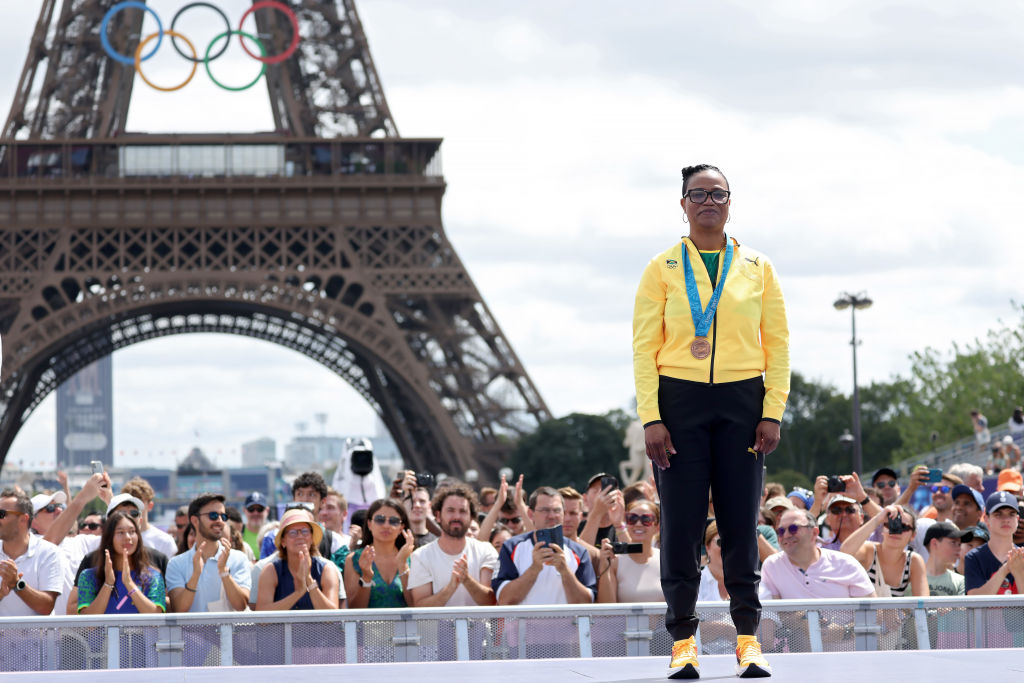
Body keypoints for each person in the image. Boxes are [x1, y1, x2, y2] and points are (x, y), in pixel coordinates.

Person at [633, 164, 789, 679]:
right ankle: (683, 640)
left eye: (717, 193)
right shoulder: (662, 268)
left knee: (741, 523)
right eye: (697, 194)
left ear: (730, 202)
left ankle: (748, 637)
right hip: (679, 401)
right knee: (679, 525)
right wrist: (652, 417)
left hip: (743, 399)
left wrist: (772, 410)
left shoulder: (758, 267)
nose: (707, 201)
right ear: (682, 204)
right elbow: (643, 349)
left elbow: (779, 346)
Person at [492, 486, 596, 605]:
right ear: (531, 514)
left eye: (557, 510)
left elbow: (586, 604)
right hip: (523, 624)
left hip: (565, 624)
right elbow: (505, 600)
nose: (551, 516)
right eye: (545, 510)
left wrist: (565, 571)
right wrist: (534, 569)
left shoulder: (579, 552)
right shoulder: (511, 548)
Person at [408, 483, 498, 607]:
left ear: (471, 517)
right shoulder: (421, 556)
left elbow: (492, 601)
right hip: (438, 627)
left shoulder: (486, 550)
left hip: (480, 626)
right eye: (450, 511)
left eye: (462, 511)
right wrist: (451, 587)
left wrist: (467, 580)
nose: (456, 516)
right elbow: (420, 606)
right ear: (438, 516)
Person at [759, 509, 875, 600]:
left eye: (793, 528)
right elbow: (775, 614)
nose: (786, 535)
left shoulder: (846, 564)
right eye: (781, 531)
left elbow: (874, 612)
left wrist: (844, 629)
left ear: (814, 533)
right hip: (798, 630)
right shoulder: (772, 565)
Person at [165, 493, 252, 612]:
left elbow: (241, 605)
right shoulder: (175, 564)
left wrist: (224, 572)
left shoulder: (239, 558)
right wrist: (195, 575)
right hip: (191, 631)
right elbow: (179, 609)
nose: (220, 521)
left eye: (223, 516)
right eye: (213, 515)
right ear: (195, 521)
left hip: (230, 631)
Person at [76, 510, 165, 614]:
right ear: (109, 538)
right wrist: (108, 584)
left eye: (132, 531)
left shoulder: (154, 576)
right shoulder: (88, 576)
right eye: (120, 532)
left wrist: (129, 584)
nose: (127, 537)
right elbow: (88, 625)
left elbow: (155, 620)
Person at [255, 508, 340, 610]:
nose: (300, 536)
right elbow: (262, 616)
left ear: (312, 538)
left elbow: (332, 616)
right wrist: (298, 593)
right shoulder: (270, 570)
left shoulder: (327, 569)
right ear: (283, 541)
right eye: (293, 532)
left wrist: (309, 580)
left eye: (305, 531)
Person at [0, 488, 65, 616]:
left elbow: (47, 607)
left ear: (23, 519)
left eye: (1, 514)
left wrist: (17, 584)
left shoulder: (49, 553)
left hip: (38, 637)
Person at [839, 505, 928, 597]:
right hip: (864, 611)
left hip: (894, 611)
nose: (896, 530)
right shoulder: (869, 550)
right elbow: (845, 551)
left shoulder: (913, 561)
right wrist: (878, 518)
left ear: (913, 535)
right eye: (890, 524)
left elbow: (923, 600)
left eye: (903, 527)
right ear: (882, 528)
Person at [344, 498, 415, 608]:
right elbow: (355, 609)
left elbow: (416, 606)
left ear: (402, 527)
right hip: (369, 625)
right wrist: (366, 578)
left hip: (404, 625)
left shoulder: (412, 558)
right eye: (380, 519)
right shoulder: (354, 559)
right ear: (369, 524)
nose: (386, 525)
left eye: (394, 521)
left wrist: (402, 564)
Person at [596, 499, 663, 602]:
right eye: (632, 518)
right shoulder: (615, 562)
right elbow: (607, 609)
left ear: (657, 527)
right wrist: (604, 568)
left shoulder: (666, 560)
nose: (638, 524)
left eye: (646, 519)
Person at [965, 492, 1024, 595]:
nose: (1006, 520)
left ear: (1017, 519)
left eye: (1011, 514)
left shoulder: (1021, 556)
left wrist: (1019, 573)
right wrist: (1004, 570)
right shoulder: (974, 557)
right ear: (986, 519)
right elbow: (975, 601)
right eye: (998, 514)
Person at [120, 477, 178, 558]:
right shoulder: (116, 538)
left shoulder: (165, 541)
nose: (133, 508)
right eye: (128, 504)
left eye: (139, 503)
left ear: (150, 506)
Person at [922, 522, 966, 596]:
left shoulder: (960, 581)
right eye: (953, 542)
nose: (959, 548)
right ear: (934, 543)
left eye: (959, 544)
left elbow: (961, 607)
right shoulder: (910, 579)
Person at [242, 492, 269, 558]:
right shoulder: (238, 533)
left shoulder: (274, 532)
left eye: (260, 509)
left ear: (267, 511)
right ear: (244, 511)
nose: (255, 513)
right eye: (251, 509)